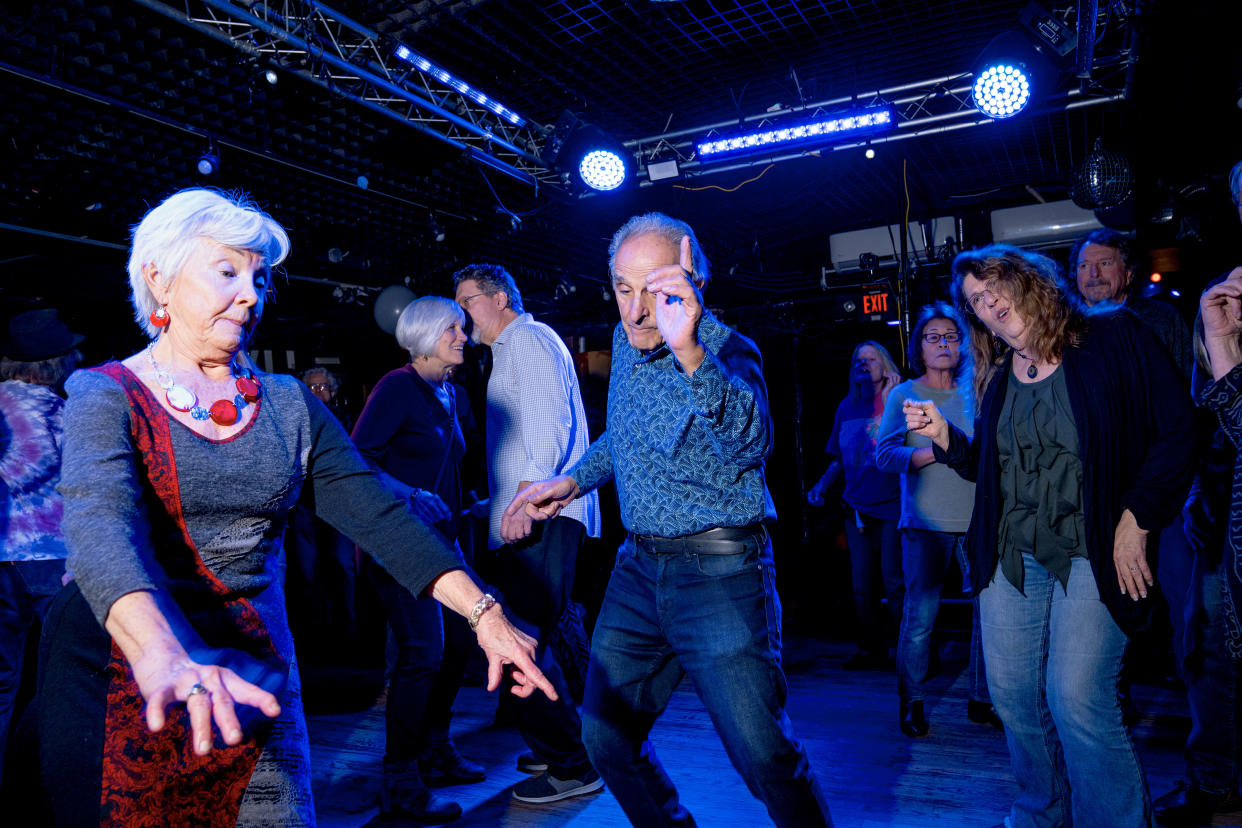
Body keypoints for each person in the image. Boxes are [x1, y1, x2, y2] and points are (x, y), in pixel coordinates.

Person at [38, 188, 554, 828]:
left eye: (258, 277)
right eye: (227, 272)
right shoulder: (105, 393)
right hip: (125, 666)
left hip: (255, 664)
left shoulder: (286, 404)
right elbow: (99, 526)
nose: (252, 294)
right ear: (158, 282)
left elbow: (379, 515)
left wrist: (484, 613)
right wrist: (162, 654)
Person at [500, 212, 833, 827]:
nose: (637, 311)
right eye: (625, 289)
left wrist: (689, 350)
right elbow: (621, 436)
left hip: (721, 573)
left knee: (764, 758)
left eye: (656, 289)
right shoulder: (626, 344)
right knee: (605, 740)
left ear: (696, 278)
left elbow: (749, 443)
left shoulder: (730, 351)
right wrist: (570, 479)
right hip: (638, 572)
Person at [904, 243, 1193, 827]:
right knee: (1012, 697)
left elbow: (1179, 430)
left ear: (1028, 281)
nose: (987, 307)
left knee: (1077, 698)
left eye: (993, 290)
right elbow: (997, 466)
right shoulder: (1000, 376)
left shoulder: (1112, 338)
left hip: (1094, 547)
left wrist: (1137, 519)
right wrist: (949, 440)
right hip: (1012, 554)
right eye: (976, 303)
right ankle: (1041, 813)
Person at [452, 264, 603, 804]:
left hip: (541, 515)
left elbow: (548, 428)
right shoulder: (515, 348)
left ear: (498, 298)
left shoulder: (527, 340)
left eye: (466, 300)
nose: (459, 313)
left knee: (518, 641)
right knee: (528, 637)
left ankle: (572, 765)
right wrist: (492, 504)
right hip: (533, 512)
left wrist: (522, 504)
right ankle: (557, 744)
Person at [350, 296, 483, 823]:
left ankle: (434, 748)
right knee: (424, 652)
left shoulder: (448, 393)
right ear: (428, 334)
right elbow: (357, 460)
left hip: (444, 543)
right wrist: (406, 493)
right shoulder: (396, 388)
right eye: (454, 328)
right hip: (398, 545)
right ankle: (401, 779)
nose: (464, 338)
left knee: (455, 651)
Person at [1150, 163, 1242, 828]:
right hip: (1212, 523)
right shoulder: (1222, 306)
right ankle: (1214, 787)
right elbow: (1199, 424)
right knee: (1206, 655)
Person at [875, 302, 997, 738]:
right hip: (925, 526)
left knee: (989, 617)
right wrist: (934, 452)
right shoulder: (903, 394)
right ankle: (912, 703)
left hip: (977, 522)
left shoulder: (978, 390)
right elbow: (885, 455)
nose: (944, 344)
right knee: (919, 619)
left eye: (952, 336)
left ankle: (983, 701)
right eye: (934, 337)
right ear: (919, 347)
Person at [0, 309, 82, 789]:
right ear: (57, 364)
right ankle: (53, 787)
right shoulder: (64, 412)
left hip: (1, 557)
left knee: (2, 682)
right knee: (64, 675)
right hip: (54, 558)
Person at [808, 341, 904, 670]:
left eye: (871, 359)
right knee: (862, 586)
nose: (863, 363)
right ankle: (870, 650)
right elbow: (839, 459)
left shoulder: (897, 402)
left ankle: (911, 655)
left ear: (885, 366)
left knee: (894, 583)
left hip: (891, 506)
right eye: (857, 359)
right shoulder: (845, 408)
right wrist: (820, 486)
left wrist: (889, 401)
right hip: (857, 510)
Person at [1067, 228, 1193, 382]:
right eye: (1084, 266)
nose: (1094, 273)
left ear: (1128, 274)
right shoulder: (1063, 324)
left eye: (1105, 263)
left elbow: (1184, 380)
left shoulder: (1162, 316)